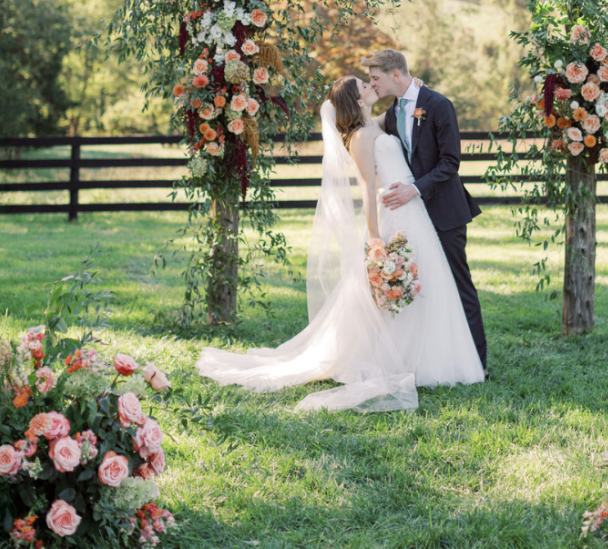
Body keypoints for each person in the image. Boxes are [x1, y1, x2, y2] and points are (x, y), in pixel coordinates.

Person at [197, 73, 484, 411]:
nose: (370, 86)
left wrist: (414, 89)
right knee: (399, 286)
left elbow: (404, 110)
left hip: (415, 213)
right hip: (392, 216)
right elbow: (367, 190)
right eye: (364, 85)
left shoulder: (377, 122)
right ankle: (403, 357)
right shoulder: (361, 137)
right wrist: (376, 239)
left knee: (430, 285)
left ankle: (434, 356)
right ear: (357, 98)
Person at [361, 49, 488, 374]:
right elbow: (367, 135)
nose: (372, 83)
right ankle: (438, 358)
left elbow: (450, 162)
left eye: (376, 78)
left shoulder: (438, 105)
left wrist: (414, 188)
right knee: (428, 285)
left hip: (444, 211)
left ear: (396, 75)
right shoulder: (392, 112)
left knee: (459, 285)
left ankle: (476, 363)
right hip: (410, 218)